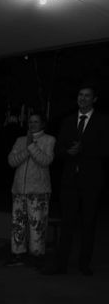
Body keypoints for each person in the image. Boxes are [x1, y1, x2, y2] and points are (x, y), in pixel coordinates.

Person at [43, 85, 108, 276]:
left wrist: (84, 149)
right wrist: (68, 152)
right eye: (80, 95)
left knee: (88, 223)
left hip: (91, 181)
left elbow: (105, 149)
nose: (83, 98)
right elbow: (59, 149)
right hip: (70, 180)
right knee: (67, 223)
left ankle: (84, 264)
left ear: (94, 99)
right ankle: (60, 264)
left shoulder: (103, 121)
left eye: (87, 96)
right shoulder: (68, 121)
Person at [6, 113, 55, 267]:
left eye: (36, 121)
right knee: (18, 224)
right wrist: (27, 147)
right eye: (30, 121)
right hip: (19, 189)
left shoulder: (49, 140)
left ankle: (37, 255)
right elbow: (12, 161)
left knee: (37, 224)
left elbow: (45, 160)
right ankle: (18, 253)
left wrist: (31, 146)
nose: (32, 124)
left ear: (42, 124)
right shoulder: (20, 140)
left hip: (39, 190)